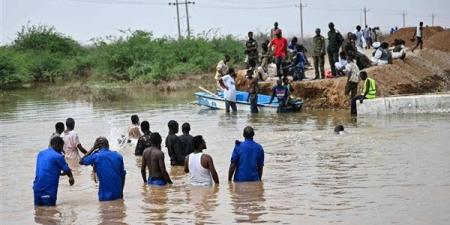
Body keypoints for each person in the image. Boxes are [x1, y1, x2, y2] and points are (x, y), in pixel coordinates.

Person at [79, 137, 126, 201]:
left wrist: (93, 148)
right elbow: (123, 176)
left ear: (97, 146)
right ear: (108, 145)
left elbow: (81, 161)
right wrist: (121, 192)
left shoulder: (96, 156)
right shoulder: (118, 155)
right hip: (118, 195)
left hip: (105, 197)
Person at [33, 137, 74, 206]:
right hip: (48, 190)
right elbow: (67, 170)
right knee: (49, 212)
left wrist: (59, 173)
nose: (62, 149)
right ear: (57, 144)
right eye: (62, 146)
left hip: (36, 188)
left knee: (38, 213)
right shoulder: (58, 156)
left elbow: (45, 169)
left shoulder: (41, 153)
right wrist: (71, 177)